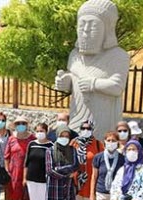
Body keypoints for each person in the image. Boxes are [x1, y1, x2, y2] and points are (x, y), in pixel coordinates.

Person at [54, 0, 129, 139]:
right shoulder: (75, 55)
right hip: (77, 117)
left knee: (99, 151)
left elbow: (117, 86)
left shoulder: (118, 55)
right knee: (77, 150)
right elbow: (74, 79)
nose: (85, 32)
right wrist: (67, 82)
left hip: (104, 119)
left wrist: (93, 84)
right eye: (82, 26)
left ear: (107, 29)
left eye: (93, 26)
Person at [46, 125, 79, 200]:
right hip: (55, 188)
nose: (64, 138)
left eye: (67, 136)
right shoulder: (50, 151)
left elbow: (75, 166)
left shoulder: (73, 150)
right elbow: (50, 170)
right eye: (62, 136)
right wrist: (66, 173)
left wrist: (59, 169)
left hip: (68, 188)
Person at [72, 121, 103, 200]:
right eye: (83, 128)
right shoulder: (74, 143)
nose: (86, 130)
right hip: (76, 183)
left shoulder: (97, 144)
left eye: (88, 128)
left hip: (91, 182)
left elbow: (101, 163)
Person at [23, 123, 53, 200]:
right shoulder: (31, 144)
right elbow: (26, 162)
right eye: (38, 131)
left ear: (46, 132)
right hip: (31, 178)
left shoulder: (50, 146)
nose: (40, 133)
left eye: (42, 131)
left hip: (44, 179)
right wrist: (24, 178)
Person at [5, 116, 35, 200]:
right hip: (15, 170)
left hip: (27, 169)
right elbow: (6, 156)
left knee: (27, 191)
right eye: (18, 123)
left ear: (26, 125)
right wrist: (7, 169)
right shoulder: (11, 139)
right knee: (16, 190)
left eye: (23, 123)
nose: (20, 125)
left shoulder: (32, 139)